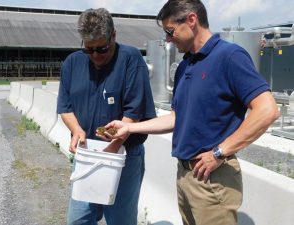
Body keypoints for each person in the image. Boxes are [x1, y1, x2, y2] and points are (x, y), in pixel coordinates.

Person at [102, 1, 280, 225]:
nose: (167, 39)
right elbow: (177, 118)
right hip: (186, 174)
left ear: (192, 20)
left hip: (213, 177)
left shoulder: (229, 56)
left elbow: (267, 110)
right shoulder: (185, 65)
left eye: (170, 31)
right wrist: (129, 127)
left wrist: (219, 152)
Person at [57, 8, 156, 225]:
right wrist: (76, 130)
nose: (95, 56)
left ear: (114, 36)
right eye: (89, 50)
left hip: (123, 156)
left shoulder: (131, 59)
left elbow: (134, 113)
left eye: (101, 49)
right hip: (88, 154)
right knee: (78, 219)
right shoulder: (72, 63)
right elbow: (65, 107)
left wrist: (111, 149)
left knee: (120, 219)